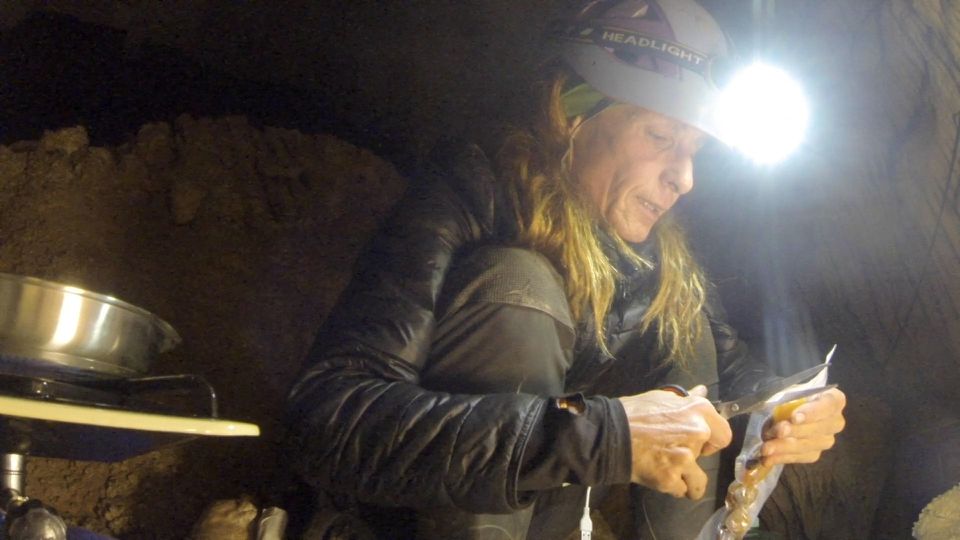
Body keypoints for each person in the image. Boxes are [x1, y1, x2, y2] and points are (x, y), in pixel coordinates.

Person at [286, 0, 847, 538]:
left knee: (683, 323)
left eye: (694, 150)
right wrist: (597, 435)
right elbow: (327, 418)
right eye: (660, 137)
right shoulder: (467, 198)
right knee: (518, 287)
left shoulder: (658, 251)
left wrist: (783, 408)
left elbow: (729, 368)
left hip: (554, 515)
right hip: (420, 517)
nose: (685, 178)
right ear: (571, 115)